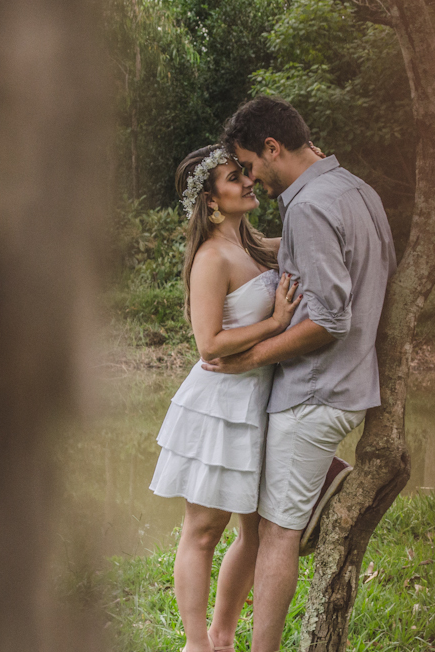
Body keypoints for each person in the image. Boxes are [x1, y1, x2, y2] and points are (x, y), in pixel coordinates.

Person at [202, 97, 397, 652]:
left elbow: (332, 319)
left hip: (313, 393)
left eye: (250, 164)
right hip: (348, 386)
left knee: (277, 536)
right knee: (269, 527)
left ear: (272, 147)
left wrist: (251, 358)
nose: (251, 178)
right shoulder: (358, 190)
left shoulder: (308, 206)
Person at [148, 144, 302, 652]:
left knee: (254, 533)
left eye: (244, 173)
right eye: (235, 177)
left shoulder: (255, 246)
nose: (247, 181)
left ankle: (223, 636)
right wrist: (276, 323)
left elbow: (310, 240)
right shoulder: (212, 258)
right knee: (203, 531)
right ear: (211, 203)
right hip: (221, 406)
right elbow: (208, 343)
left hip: (258, 403)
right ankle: (197, 646)